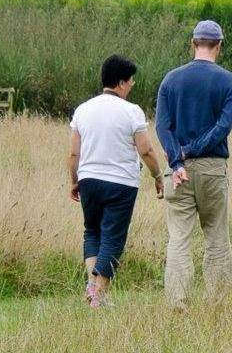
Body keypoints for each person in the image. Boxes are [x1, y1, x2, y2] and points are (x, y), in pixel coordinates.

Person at [67, 54, 165, 308]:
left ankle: (92, 288)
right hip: (121, 183)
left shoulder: (83, 110)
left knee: (92, 231)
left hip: (88, 178)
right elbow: (146, 150)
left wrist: (74, 180)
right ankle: (99, 295)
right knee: (113, 237)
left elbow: (74, 153)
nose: (132, 86)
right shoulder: (131, 111)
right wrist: (157, 176)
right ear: (121, 82)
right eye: (131, 81)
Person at [155, 20, 232, 310]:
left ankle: (177, 301)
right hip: (213, 168)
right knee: (216, 235)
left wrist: (178, 159)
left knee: (179, 237)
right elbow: (222, 128)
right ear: (219, 45)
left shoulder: (170, 79)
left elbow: (162, 126)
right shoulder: (229, 81)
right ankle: (216, 301)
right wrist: (191, 151)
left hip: (177, 171)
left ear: (193, 43)